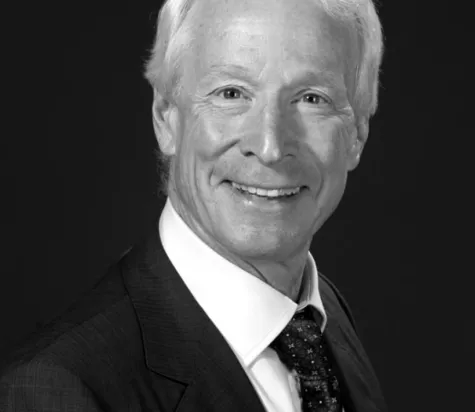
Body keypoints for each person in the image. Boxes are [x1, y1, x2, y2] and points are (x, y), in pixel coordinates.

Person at [0, 0, 386, 410]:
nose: (270, 147)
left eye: (311, 98)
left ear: (358, 132)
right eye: (232, 93)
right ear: (166, 116)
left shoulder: (321, 318)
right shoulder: (57, 389)